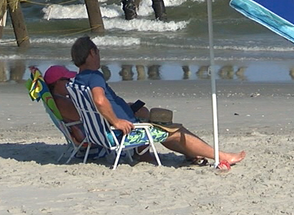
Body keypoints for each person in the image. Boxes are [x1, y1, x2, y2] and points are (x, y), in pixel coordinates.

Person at [69, 36, 246, 167]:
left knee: (152, 115)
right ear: (91, 53)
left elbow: (97, 104)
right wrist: (117, 121)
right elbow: (99, 101)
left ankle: (188, 154)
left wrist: (125, 109)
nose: (99, 56)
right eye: (98, 52)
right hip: (125, 133)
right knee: (176, 130)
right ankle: (221, 156)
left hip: (102, 132)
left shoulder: (79, 80)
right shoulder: (94, 77)